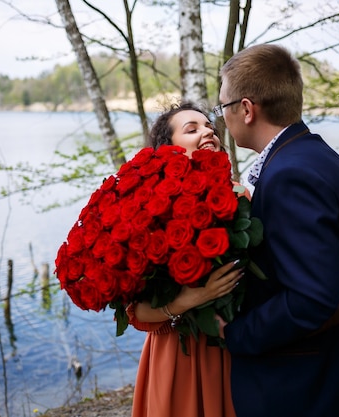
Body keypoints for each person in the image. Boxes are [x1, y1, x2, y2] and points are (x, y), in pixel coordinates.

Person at [215, 44, 339, 416]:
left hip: (297, 388)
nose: (223, 117)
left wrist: (235, 332)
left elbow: (316, 297)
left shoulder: (290, 175)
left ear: (246, 110)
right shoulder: (314, 156)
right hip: (321, 377)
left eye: (223, 107)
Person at [127, 102, 242, 417]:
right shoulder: (148, 213)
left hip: (232, 347)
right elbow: (135, 313)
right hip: (176, 353)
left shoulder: (243, 200)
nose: (207, 132)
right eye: (192, 129)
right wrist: (191, 299)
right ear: (169, 149)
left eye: (210, 127)